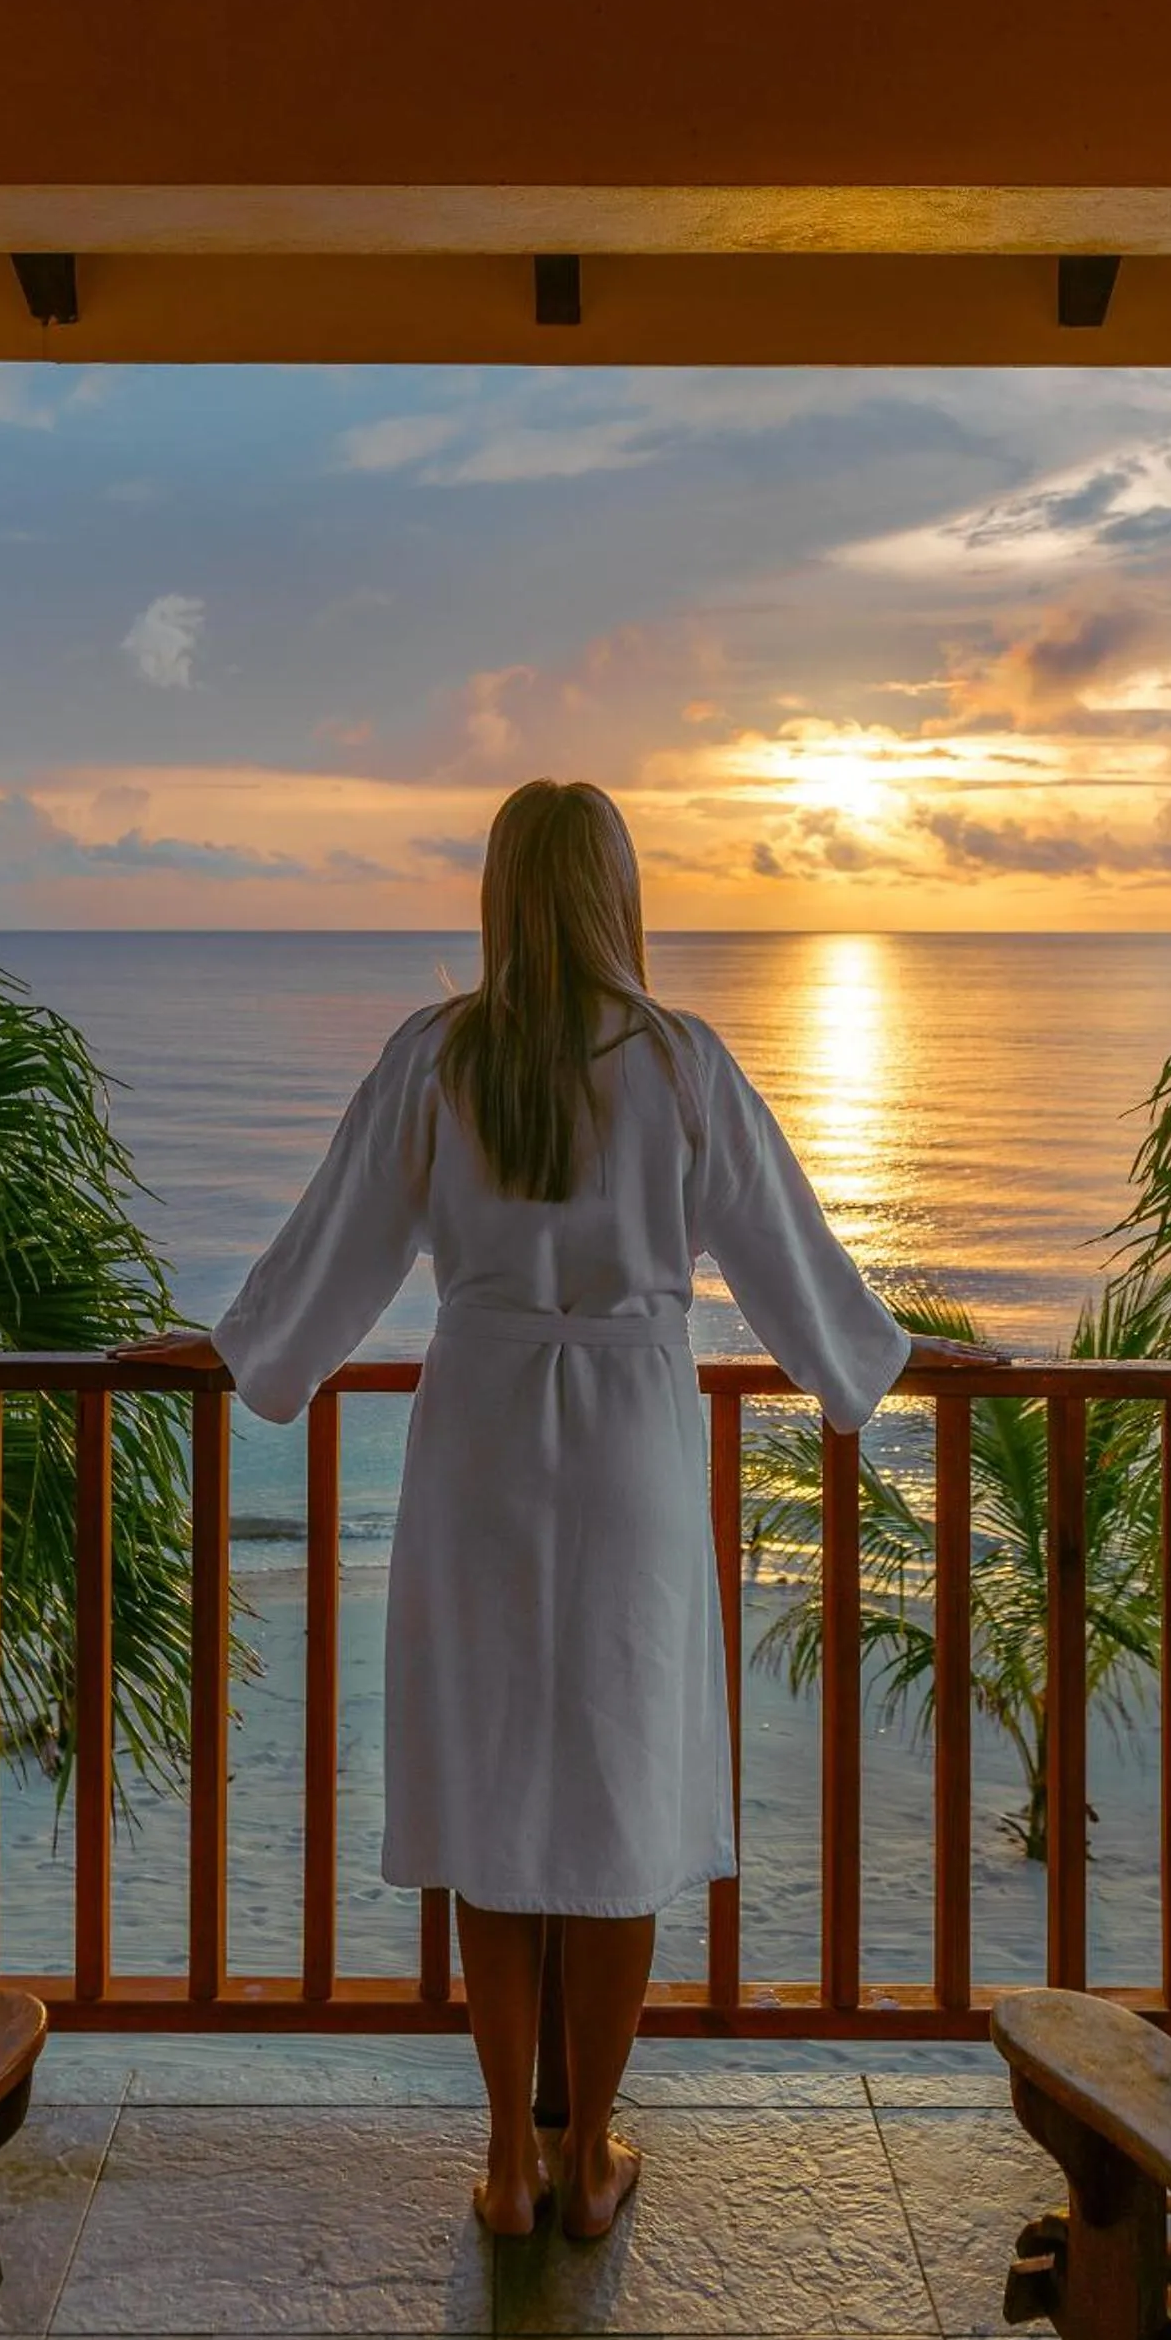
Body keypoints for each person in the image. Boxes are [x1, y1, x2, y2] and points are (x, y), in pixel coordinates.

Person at [118, 779, 999, 2240]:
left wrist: (233, 1349)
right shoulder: (679, 1063)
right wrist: (895, 1357)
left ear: (499, 895)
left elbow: (334, 1250)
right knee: (621, 1787)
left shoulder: (439, 1058)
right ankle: (588, 2154)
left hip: (478, 1438)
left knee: (491, 1786)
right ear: (616, 894)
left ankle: (506, 2162)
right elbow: (790, 1262)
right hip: (631, 1450)